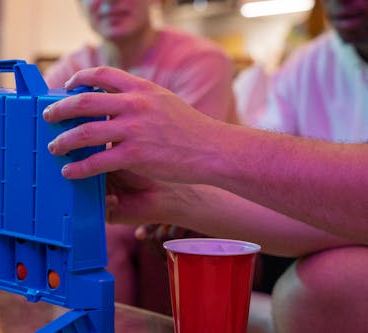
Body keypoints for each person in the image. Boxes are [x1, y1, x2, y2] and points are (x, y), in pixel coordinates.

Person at [42, 0, 368, 331]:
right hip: (232, 220)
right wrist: (168, 198)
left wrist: (202, 143)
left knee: (322, 287)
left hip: (212, 235)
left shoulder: (201, 58)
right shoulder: (307, 64)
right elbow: (301, 195)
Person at [44, 0, 235, 314]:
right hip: (117, 202)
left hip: (196, 204)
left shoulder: (202, 60)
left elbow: (190, 163)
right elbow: (42, 137)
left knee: (98, 233)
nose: (109, 3)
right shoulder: (72, 69)